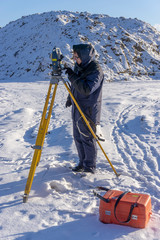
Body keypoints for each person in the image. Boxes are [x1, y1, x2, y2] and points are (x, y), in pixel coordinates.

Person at [65, 43, 104, 174]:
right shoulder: (79, 67)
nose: (75, 59)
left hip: (88, 109)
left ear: (85, 56)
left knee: (87, 138)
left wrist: (72, 75)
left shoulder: (95, 70)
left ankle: (89, 167)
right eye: (74, 56)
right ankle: (82, 163)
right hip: (77, 107)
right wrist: (70, 98)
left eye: (77, 57)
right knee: (78, 137)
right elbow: (75, 85)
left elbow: (87, 89)